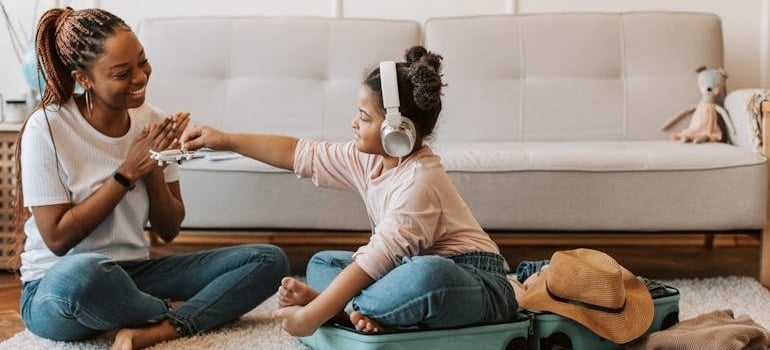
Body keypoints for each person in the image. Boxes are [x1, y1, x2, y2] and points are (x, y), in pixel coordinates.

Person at [181, 46, 519, 336]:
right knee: (322, 262)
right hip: (400, 272)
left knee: (425, 276)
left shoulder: (420, 182)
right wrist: (224, 139)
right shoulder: (366, 159)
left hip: (474, 280)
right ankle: (371, 311)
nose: (354, 123)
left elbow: (377, 259)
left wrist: (310, 317)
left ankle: (337, 308)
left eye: (364, 117)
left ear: (397, 131)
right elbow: (298, 153)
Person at [14, 7, 289, 350]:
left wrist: (154, 166)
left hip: (136, 274)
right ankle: (169, 314)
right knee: (82, 276)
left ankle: (155, 327)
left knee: (268, 260)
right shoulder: (48, 128)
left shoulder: (152, 122)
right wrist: (127, 172)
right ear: (84, 79)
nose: (141, 77)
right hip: (56, 288)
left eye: (142, 62)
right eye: (122, 73)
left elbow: (169, 228)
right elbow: (57, 238)